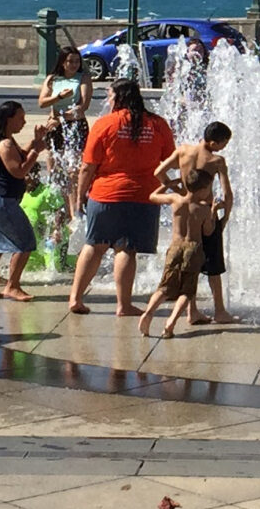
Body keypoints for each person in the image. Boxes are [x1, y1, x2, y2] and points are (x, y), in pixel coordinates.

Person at [67, 81, 174, 316]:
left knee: (94, 245)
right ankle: (123, 305)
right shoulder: (157, 124)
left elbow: (88, 166)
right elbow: (170, 159)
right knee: (127, 248)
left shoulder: (106, 123)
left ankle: (75, 298)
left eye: (110, 95)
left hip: (105, 194)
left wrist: (79, 196)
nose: (108, 100)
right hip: (143, 195)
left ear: (119, 97)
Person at [156, 121, 238, 323]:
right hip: (206, 214)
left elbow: (158, 173)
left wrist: (179, 191)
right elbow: (227, 194)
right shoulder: (216, 160)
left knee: (190, 265)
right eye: (223, 143)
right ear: (213, 142)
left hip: (186, 212)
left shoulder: (183, 150)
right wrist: (225, 217)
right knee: (214, 266)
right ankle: (220, 310)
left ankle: (192, 312)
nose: (224, 147)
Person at [0, 101, 48, 301]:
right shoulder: (5, 144)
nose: (24, 122)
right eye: (21, 118)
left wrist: (36, 141)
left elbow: (20, 156)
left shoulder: (5, 140)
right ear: (9, 119)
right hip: (1, 200)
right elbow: (18, 171)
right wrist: (36, 152)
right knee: (25, 242)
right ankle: (12, 286)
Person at [140, 167, 220, 336]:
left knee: (164, 286)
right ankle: (172, 321)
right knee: (187, 290)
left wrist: (169, 184)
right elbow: (208, 231)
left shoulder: (176, 199)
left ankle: (148, 312)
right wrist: (213, 212)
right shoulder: (203, 208)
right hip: (193, 249)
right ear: (204, 189)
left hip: (175, 247)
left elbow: (152, 197)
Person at [37, 46, 93, 158]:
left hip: (75, 124)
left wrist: (61, 118)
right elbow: (42, 103)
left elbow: (83, 106)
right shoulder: (52, 79)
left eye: (77, 61)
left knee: (74, 166)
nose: (74, 65)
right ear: (62, 62)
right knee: (53, 164)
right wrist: (60, 97)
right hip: (54, 124)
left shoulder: (83, 78)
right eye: (70, 61)